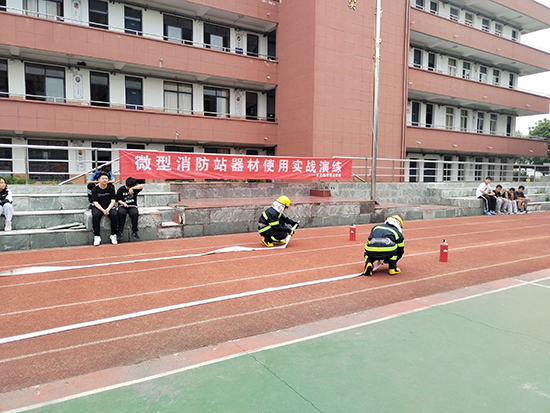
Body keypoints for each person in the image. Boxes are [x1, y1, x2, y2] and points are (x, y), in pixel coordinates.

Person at [91, 172, 118, 246]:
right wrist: (103, 210)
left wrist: (108, 209)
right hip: (98, 206)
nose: (105, 180)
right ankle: (97, 236)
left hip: (109, 206)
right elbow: (95, 202)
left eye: (106, 178)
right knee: (95, 215)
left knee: (114, 215)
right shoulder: (95, 190)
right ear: (99, 180)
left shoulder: (111, 189)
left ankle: (113, 235)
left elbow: (113, 200)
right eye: (103, 178)